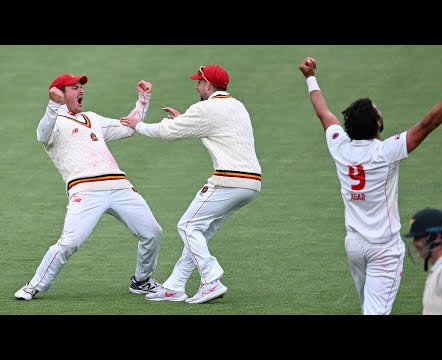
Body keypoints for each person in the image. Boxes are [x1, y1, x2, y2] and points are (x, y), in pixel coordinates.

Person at [298, 57, 442, 315]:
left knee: (370, 308)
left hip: (354, 246)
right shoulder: (387, 152)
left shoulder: (339, 146)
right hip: (383, 249)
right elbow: (428, 124)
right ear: (377, 124)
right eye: (378, 111)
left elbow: (323, 112)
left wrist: (310, 76)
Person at [120, 64, 262, 304]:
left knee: (187, 226)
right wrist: (183, 121)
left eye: (199, 82)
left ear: (208, 85)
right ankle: (175, 285)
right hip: (250, 184)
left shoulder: (206, 108)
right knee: (200, 232)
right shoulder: (237, 105)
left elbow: (168, 133)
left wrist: (138, 126)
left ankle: (211, 279)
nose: (196, 86)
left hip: (229, 180)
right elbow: (212, 129)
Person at [14, 73, 163, 301]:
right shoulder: (54, 123)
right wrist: (53, 105)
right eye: (74, 87)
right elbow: (42, 134)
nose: (80, 90)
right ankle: (34, 285)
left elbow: (128, 128)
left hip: (120, 187)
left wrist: (144, 99)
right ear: (60, 93)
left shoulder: (92, 118)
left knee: (152, 232)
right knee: (69, 243)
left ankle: (142, 281)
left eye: (80, 87)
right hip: (85, 191)